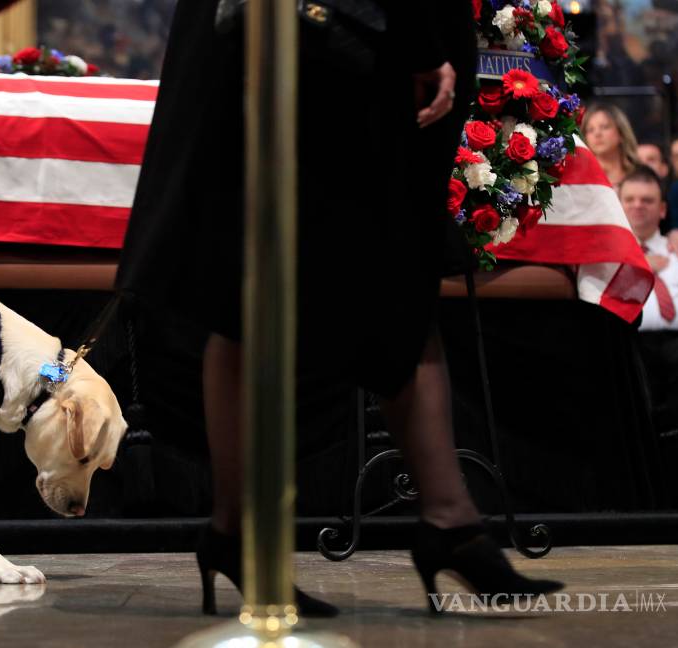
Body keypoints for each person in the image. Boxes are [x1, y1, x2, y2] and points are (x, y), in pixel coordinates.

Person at [116, 0, 561, 616]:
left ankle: (447, 521)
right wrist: (415, 37)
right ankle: (244, 533)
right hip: (312, 42)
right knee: (254, 288)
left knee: (393, 281)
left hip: (346, 43)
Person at [620, 167, 678, 497]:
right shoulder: (611, 255)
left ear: (662, 209)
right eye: (630, 199)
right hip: (633, 343)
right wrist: (641, 266)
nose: (638, 206)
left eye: (647, 200)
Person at [582, 103, 639, 187]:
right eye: (590, 130)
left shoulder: (640, 174)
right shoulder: (579, 177)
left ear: (621, 133)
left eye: (605, 127)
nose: (597, 133)